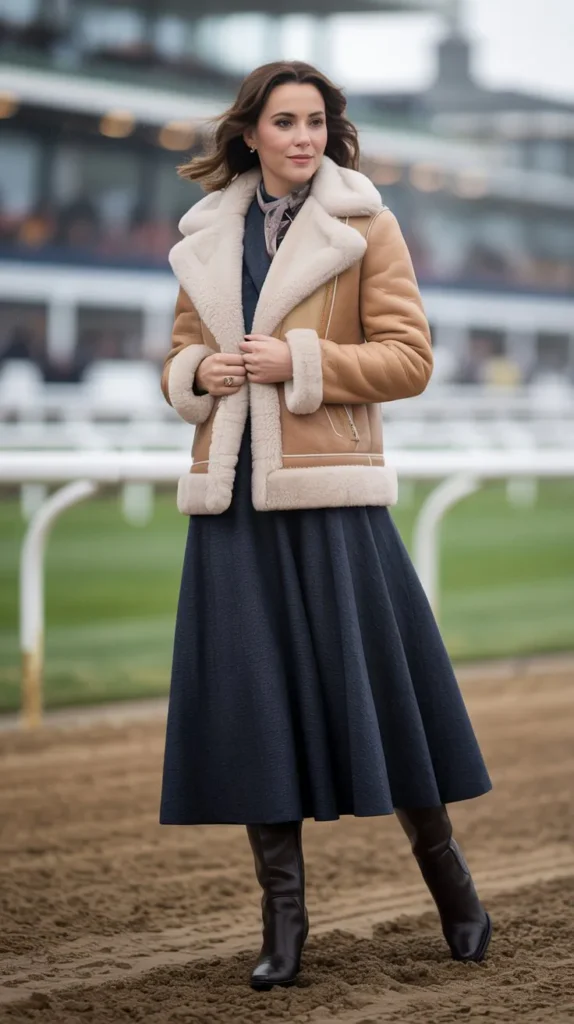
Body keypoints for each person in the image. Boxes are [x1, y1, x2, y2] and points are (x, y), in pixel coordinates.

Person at [159, 60, 492, 991]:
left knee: (384, 698)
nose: (304, 136)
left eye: (317, 121)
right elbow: (183, 351)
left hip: (330, 498)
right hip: (232, 505)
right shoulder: (206, 235)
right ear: (251, 133)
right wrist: (199, 377)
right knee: (260, 712)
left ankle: (453, 886)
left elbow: (409, 358)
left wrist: (294, 360)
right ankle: (285, 926)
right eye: (286, 122)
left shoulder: (367, 225)